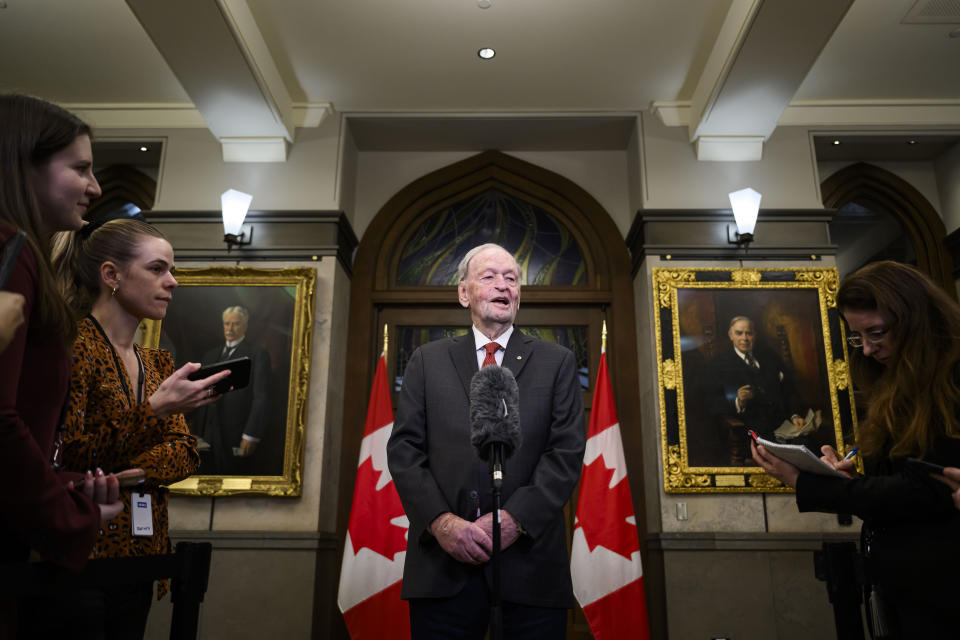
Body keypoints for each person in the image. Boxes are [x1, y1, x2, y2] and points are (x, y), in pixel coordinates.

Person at [387, 243, 586, 639]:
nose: (503, 286)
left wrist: (513, 521)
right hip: (443, 568)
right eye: (489, 277)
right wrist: (442, 523)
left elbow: (564, 453)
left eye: (511, 279)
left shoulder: (557, 362)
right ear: (464, 293)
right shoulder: (427, 361)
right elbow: (405, 451)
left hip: (529, 568)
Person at [752, 260, 960, 637]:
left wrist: (812, 484)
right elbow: (902, 482)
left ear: (915, 321)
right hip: (902, 584)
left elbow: (928, 489)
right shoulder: (894, 384)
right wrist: (853, 479)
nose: (866, 350)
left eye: (877, 333)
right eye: (857, 337)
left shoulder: (952, 380)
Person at [50, 216, 231, 638]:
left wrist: (139, 472)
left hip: (145, 551)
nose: (172, 282)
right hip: (83, 551)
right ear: (111, 275)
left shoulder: (157, 362)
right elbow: (72, 455)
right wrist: (154, 413)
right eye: (157, 269)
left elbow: (186, 452)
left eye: (172, 269)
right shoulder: (75, 346)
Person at [0, 93, 124, 635]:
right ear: (23, 163)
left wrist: (64, 484)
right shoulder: (11, 248)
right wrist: (68, 515)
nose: (95, 187)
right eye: (80, 168)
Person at [706, 315, 805, 464]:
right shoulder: (718, 364)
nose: (745, 338)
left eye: (749, 333)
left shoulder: (769, 357)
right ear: (730, 335)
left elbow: (788, 390)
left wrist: (795, 415)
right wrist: (737, 401)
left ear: (755, 335)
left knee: (807, 446)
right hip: (750, 431)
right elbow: (711, 402)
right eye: (739, 333)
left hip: (783, 424)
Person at [190, 305, 272, 475]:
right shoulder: (210, 355)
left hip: (235, 432)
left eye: (235, 324)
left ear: (245, 326)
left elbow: (262, 398)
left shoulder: (257, 355)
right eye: (227, 324)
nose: (230, 329)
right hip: (206, 432)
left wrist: (251, 435)